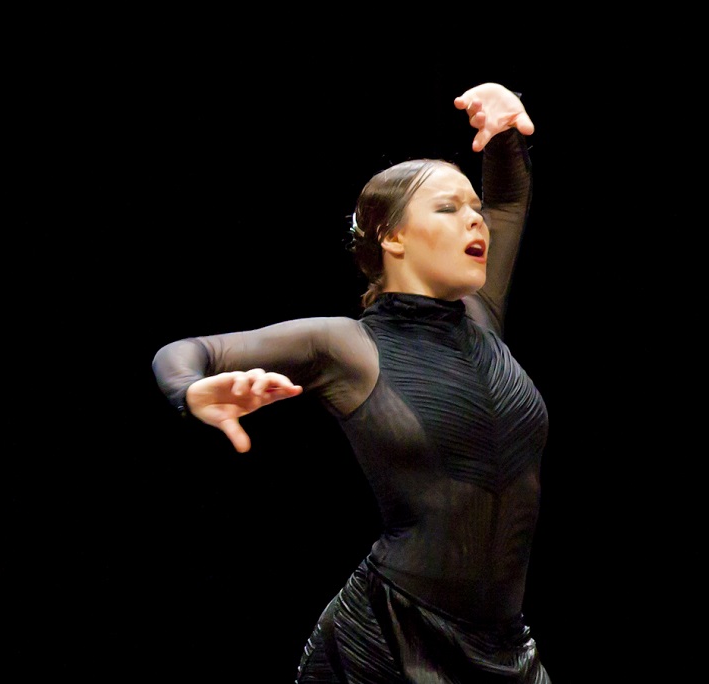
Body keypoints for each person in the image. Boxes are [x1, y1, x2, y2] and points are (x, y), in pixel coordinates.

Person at [151, 82, 549, 682]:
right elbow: (188, 351)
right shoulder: (347, 346)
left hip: (503, 646)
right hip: (387, 640)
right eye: (448, 208)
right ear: (391, 237)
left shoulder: (480, 314)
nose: (476, 220)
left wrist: (502, 129)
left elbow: (510, 199)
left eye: (474, 208)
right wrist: (190, 392)